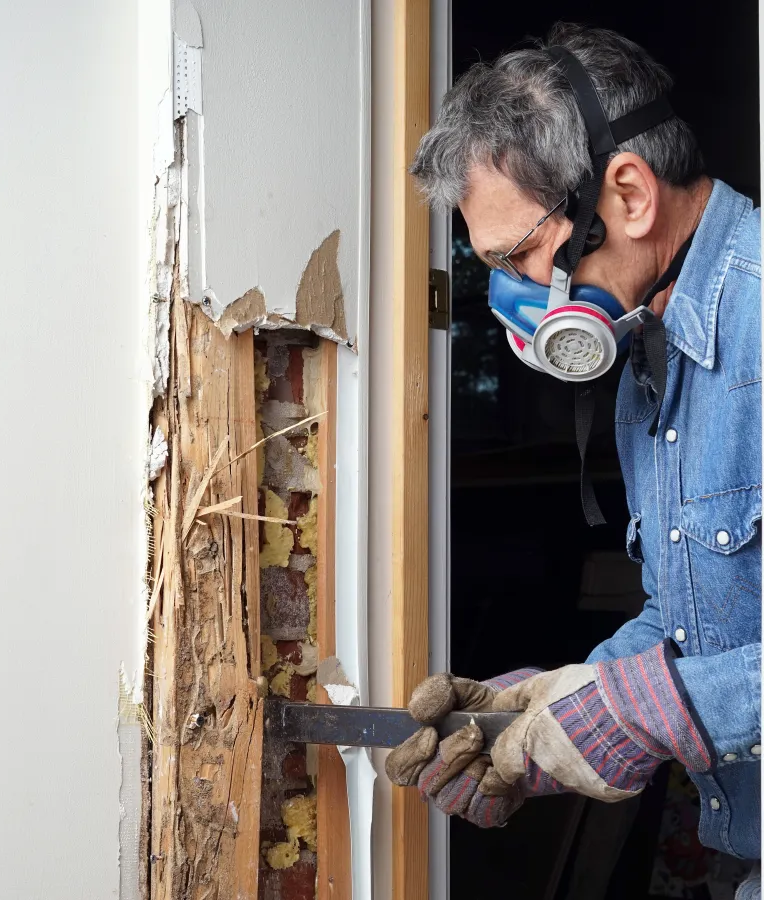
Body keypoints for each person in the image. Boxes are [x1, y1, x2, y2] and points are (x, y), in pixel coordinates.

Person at [386, 22, 761, 893]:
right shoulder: (647, 354)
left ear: (626, 195)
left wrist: (637, 714)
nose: (514, 298)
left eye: (518, 255)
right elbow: (696, 623)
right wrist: (546, 717)